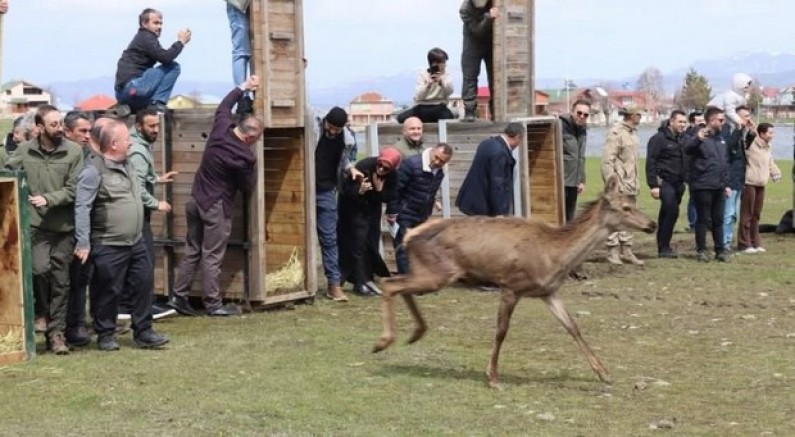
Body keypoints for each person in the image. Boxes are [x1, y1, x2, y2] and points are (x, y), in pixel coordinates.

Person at [169, 77, 264, 317]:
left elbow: (224, 106)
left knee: (192, 250)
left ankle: (179, 296)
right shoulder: (245, 157)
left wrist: (243, 87)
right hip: (216, 207)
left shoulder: (220, 130)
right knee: (212, 255)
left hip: (195, 200)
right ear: (251, 138)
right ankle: (213, 304)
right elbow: (246, 186)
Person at [74, 121, 169, 351]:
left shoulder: (129, 166)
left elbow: (140, 193)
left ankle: (144, 332)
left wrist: (154, 201)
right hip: (108, 243)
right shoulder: (93, 171)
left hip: (135, 241)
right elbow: (82, 207)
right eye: (128, 139)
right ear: (114, 144)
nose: (131, 143)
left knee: (143, 284)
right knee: (108, 290)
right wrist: (83, 241)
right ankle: (106, 334)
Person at [4, 105, 84, 353]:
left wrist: (49, 198)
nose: (60, 128)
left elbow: (74, 189)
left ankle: (57, 334)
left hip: (63, 228)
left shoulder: (74, 152)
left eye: (60, 123)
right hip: (36, 228)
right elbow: (7, 169)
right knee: (39, 270)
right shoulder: (25, 151)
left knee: (61, 282)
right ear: (39, 128)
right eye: (54, 125)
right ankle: (44, 315)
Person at [125, 108, 179, 319]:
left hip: (133, 213)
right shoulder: (137, 149)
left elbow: (136, 175)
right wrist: (156, 203)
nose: (156, 130)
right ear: (139, 126)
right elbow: (135, 185)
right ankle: (142, 306)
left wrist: (156, 179)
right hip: (138, 214)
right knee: (144, 261)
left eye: (157, 125)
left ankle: (134, 305)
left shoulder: (135, 142)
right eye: (151, 126)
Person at [314, 106, 363, 302]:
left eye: (337, 129)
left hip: (326, 191)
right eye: (331, 126)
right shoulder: (314, 129)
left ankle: (334, 285)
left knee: (329, 238)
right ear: (325, 121)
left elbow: (344, 158)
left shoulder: (345, 138)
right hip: (303, 188)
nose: (333, 131)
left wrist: (351, 168)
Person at [337, 148, 401, 296]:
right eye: (380, 165)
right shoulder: (364, 166)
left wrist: (378, 191)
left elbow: (390, 196)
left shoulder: (392, 176)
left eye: (386, 168)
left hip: (371, 211)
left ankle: (365, 278)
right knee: (356, 244)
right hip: (352, 209)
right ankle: (357, 281)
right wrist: (360, 190)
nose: (381, 169)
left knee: (370, 243)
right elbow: (347, 190)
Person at [386, 143, 453, 274]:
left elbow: (431, 190)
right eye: (436, 157)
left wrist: (434, 202)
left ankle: (416, 279)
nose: (437, 162)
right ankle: (407, 281)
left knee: (417, 247)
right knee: (403, 246)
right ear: (432, 151)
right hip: (404, 212)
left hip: (422, 213)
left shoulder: (440, 171)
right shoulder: (411, 164)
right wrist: (392, 212)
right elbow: (396, 189)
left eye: (442, 161)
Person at [115, 8, 191, 114]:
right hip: (134, 87)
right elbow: (166, 58)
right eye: (155, 23)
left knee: (151, 72)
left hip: (123, 94)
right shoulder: (146, 37)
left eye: (161, 24)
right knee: (173, 67)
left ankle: (134, 106)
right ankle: (157, 103)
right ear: (144, 24)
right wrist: (181, 42)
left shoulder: (141, 38)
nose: (159, 27)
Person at [62, 111, 93, 346]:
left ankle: (79, 324)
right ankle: (66, 326)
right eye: (82, 131)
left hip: (85, 227)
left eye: (89, 131)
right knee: (63, 281)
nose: (87, 136)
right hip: (60, 226)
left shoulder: (90, 157)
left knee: (82, 279)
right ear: (67, 132)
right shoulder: (61, 156)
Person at [684, 107, 731, 263]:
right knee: (703, 219)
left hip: (719, 185)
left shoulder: (721, 139)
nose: (723, 123)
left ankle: (720, 250)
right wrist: (698, 138)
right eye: (721, 120)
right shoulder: (699, 135)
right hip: (703, 185)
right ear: (711, 120)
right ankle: (702, 250)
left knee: (718, 220)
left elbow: (724, 163)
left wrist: (726, 184)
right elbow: (687, 149)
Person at [601, 104, 644, 265]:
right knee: (614, 217)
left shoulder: (633, 134)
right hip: (618, 183)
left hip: (631, 183)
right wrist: (611, 183)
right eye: (638, 114)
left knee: (629, 217)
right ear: (631, 115)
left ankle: (627, 250)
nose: (640, 117)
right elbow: (607, 160)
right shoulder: (616, 133)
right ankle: (613, 251)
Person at [456, 122, 523, 216]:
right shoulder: (500, 153)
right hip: (483, 206)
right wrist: (499, 213)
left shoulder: (487, 143)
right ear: (517, 137)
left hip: (471, 200)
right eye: (521, 140)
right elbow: (497, 185)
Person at [646, 110, 688, 258]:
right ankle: (664, 247)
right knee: (672, 211)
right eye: (680, 121)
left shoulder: (683, 139)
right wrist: (653, 185)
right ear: (671, 121)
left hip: (679, 183)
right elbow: (651, 162)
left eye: (684, 122)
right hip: (664, 182)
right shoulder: (659, 139)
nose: (682, 124)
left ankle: (663, 246)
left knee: (667, 213)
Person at [738, 123, 781, 253]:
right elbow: (747, 136)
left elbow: (770, 162)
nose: (772, 135)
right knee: (747, 214)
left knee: (756, 215)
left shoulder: (767, 146)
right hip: (749, 183)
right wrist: (749, 127)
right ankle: (744, 244)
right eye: (770, 133)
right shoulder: (752, 143)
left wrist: (775, 173)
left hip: (761, 184)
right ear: (761, 134)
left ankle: (755, 242)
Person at [723, 105, 755, 250]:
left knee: (733, 214)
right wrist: (738, 129)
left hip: (739, 179)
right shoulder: (726, 130)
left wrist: (751, 133)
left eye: (748, 116)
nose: (747, 119)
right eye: (744, 116)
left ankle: (728, 241)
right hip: (729, 179)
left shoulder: (741, 132)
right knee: (727, 213)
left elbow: (745, 149)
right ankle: (724, 243)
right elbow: (727, 149)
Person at [460, 0, 498, 122]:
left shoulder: (496, 3)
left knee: (495, 79)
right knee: (469, 78)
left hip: (493, 45)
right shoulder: (465, 9)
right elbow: (477, 31)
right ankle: (469, 110)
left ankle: (496, 110)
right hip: (472, 46)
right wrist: (489, 17)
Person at [397, 48, 455, 124]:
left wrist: (441, 82)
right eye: (443, 62)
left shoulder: (446, 75)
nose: (445, 65)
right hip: (422, 106)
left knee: (449, 118)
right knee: (401, 118)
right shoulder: (423, 74)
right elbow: (419, 95)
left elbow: (449, 91)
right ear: (434, 63)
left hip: (439, 106)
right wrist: (428, 85)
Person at [560, 99, 590, 222]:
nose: (582, 116)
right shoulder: (560, 126)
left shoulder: (583, 130)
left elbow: (581, 157)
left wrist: (581, 180)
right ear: (572, 111)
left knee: (570, 217)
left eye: (585, 115)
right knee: (559, 216)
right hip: (561, 181)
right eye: (579, 113)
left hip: (574, 182)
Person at [225, 0, 253, 115]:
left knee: (244, 52)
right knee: (241, 52)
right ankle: (242, 97)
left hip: (247, 6)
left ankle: (244, 97)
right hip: (238, 5)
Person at [684, 110, 705, 231]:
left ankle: (702, 222)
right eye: (699, 121)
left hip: (703, 172)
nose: (702, 123)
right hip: (692, 172)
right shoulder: (689, 137)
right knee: (693, 198)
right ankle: (693, 223)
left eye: (703, 120)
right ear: (692, 123)